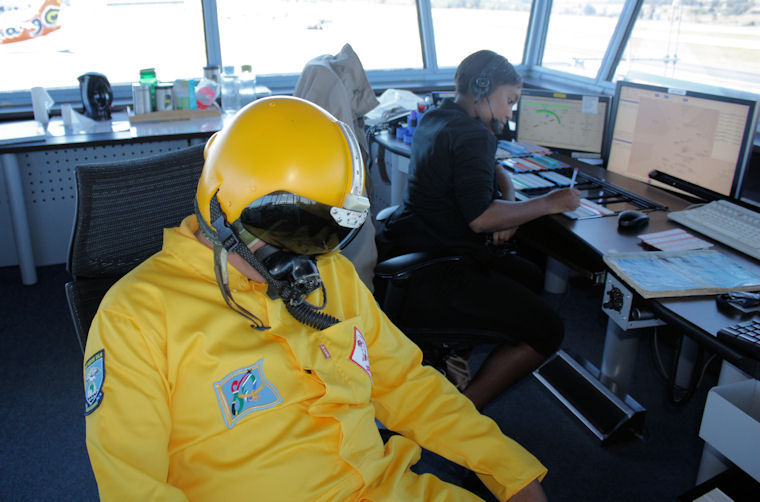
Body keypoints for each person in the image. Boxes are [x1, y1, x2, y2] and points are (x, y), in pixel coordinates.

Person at [83, 96, 548, 501]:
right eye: (293, 234)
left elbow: (407, 383)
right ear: (226, 212)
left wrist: (513, 472)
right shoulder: (137, 316)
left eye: (323, 238)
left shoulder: (329, 272)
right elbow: (133, 487)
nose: (307, 259)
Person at [375, 50, 581, 411]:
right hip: (438, 270)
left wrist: (509, 204)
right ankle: (456, 420)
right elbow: (481, 219)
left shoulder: (438, 117)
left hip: (411, 243)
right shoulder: (473, 134)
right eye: (509, 100)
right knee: (549, 330)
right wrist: (552, 202)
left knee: (528, 275)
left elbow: (491, 170)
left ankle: (451, 356)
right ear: (483, 87)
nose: (510, 112)